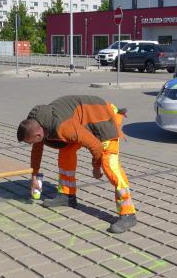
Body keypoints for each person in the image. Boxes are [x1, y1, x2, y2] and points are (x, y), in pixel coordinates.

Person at [17, 95, 137, 233]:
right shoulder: (34, 122)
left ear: (38, 135)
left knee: (110, 166)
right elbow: (37, 149)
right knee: (66, 153)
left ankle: (128, 214)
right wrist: (34, 175)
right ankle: (67, 195)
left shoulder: (63, 127)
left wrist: (96, 167)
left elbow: (96, 145)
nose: (31, 144)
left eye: (30, 142)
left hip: (102, 119)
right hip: (80, 123)